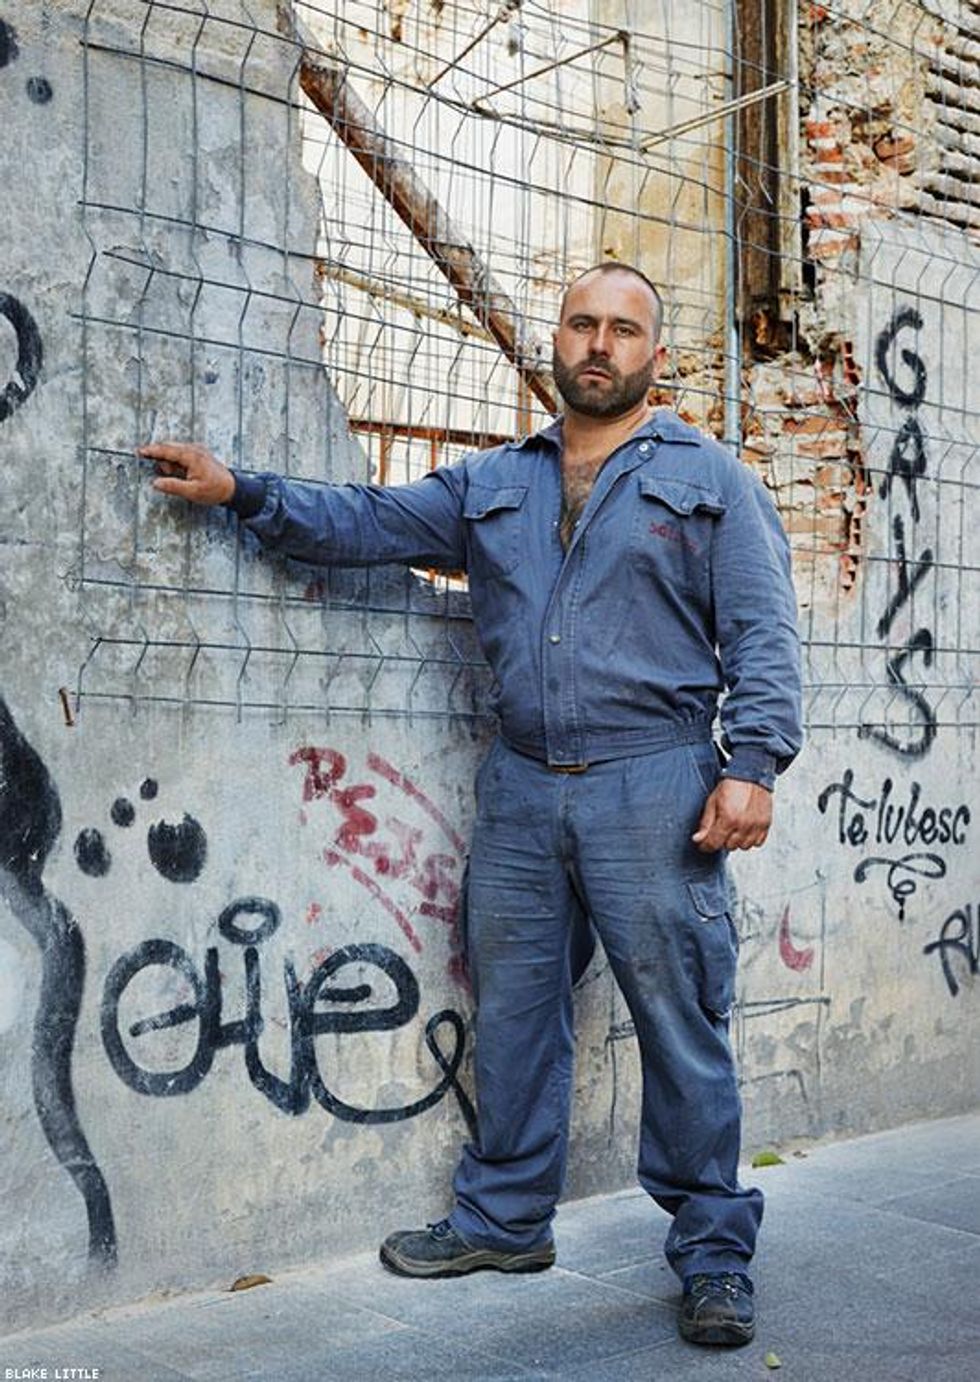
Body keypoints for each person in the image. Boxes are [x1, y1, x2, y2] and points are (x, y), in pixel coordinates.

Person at [140, 262, 802, 1348]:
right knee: (515, 1008)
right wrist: (240, 491)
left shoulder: (712, 479)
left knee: (679, 1021)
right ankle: (504, 1218)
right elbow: (365, 520)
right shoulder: (496, 482)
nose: (598, 343)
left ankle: (713, 1251)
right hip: (523, 782)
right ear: (555, 340)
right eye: (581, 323)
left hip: (657, 779)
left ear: (654, 354)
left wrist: (755, 761)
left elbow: (764, 629)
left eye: (622, 329)